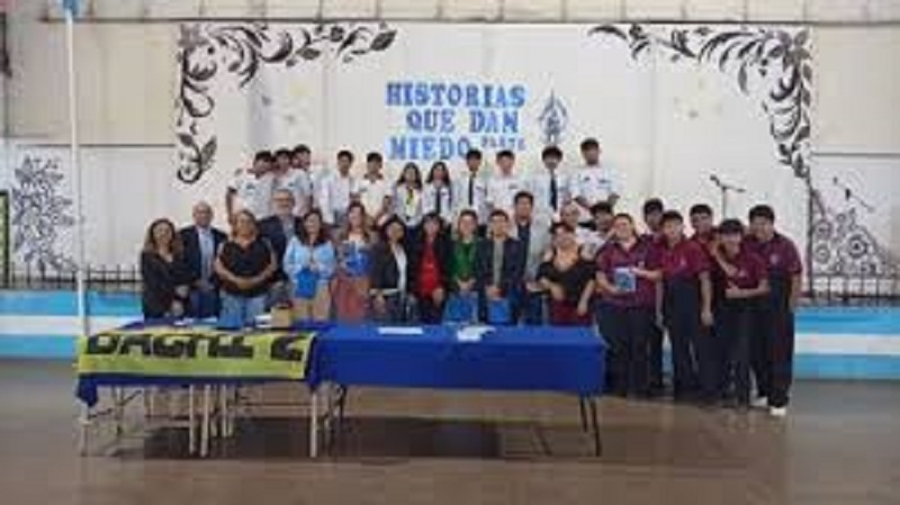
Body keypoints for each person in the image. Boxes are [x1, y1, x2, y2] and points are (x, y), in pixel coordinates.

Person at [745, 205, 802, 417]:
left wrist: (792, 305)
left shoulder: (785, 246)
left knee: (779, 354)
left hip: (778, 308)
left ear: (772, 223)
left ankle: (779, 399)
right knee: (757, 353)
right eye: (755, 223)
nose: (759, 228)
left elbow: (796, 276)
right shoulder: (747, 243)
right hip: (753, 307)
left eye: (764, 223)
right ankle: (764, 392)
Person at [595, 213, 661, 397]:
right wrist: (610, 288)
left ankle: (640, 388)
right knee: (619, 347)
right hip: (615, 305)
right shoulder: (608, 249)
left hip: (641, 305)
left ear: (633, 226)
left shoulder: (648, 248)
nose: (622, 228)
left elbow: (659, 274)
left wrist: (641, 272)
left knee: (640, 346)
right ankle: (620, 387)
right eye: (617, 226)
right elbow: (600, 274)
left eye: (625, 224)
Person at [658, 210, 715, 403]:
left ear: (682, 226)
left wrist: (706, 308)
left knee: (701, 349)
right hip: (671, 304)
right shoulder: (663, 250)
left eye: (676, 225)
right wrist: (660, 310)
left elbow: (705, 279)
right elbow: (660, 282)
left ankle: (708, 392)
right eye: (668, 226)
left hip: (693, 303)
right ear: (663, 229)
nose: (672, 229)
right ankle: (685, 389)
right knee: (678, 349)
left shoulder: (693, 248)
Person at [711, 219, 770, 409]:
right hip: (721, 309)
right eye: (726, 235)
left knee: (741, 354)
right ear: (720, 237)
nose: (730, 239)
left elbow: (764, 288)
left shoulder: (753, 258)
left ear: (741, 236)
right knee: (721, 353)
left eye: (734, 235)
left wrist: (742, 293)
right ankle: (723, 394)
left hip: (745, 311)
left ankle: (743, 398)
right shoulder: (715, 257)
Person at [214, 210, 278, 326]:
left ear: (254, 224)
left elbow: (273, 265)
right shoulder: (225, 244)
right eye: (241, 221)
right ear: (235, 225)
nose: (245, 225)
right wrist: (236, 280)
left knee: (255, 329)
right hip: (231, 294)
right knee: (232, 329)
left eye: (249, 222)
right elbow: (218, 267)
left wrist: (255, 280)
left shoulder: (264, 242)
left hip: (258, 294)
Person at [537, 223, 596, 326]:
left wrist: (584, 301)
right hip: (557, 306)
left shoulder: (584, 253)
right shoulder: (550, 254)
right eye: (557, 235)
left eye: (565, 233)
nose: (562, 237)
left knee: (579, 333)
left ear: (573, 235)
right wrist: (552, 286)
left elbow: (592, 279)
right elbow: (541, 277)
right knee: (557, 334)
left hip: (580, 303)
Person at [283, 210, 336, 322]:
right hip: (299, 286)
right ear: (304, 223)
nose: (312, 224)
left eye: (315, 221)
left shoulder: (327, 243)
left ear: (320, 224)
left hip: (320, 287)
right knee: (301, 322)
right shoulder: (295, 241)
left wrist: (319, 268)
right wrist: (300, 267)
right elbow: (286, 264)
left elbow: (332, 268)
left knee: (321, 322)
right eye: (309, 221)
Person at [179, 202, 227, 319]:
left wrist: (212, 283)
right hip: (191, 285)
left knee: (212, 318)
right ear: (194, 215)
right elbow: (180, 262)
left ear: (211, 215)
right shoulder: (183, 235)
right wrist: (196, 281)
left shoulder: (221, 236)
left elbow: (225, 261)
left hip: (214, 285)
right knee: (193, 317)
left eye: (206, 212)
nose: (203, 215)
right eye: (200, 212)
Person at [476, 210, 525, 324]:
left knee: (508, 330)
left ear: (507, 224)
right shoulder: (482, 245)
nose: (498, 225)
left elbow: (517, 272)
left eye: (501, 222)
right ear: (490, 225)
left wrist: (500, 289)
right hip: (486, 295)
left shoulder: (517, 246)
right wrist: (488, 287)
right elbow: (478, 270)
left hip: (509, 294)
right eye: (494, 222)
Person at [510, 191, 552, 324]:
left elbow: (548, 255)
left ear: (532, 207)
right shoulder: (506, 227)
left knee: (534, 326)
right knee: (508, 325)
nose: (524, 206)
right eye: (520, 203)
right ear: (514, 206)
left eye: (527, 204)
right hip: (510, 285)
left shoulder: (543, 228)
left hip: (534, 285)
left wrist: (540, 279)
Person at [140, 218, 191, 320]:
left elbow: (183, 278)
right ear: (152, 234)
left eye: (167, 231)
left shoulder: (179, 254)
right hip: (156, 305)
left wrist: (179, 299)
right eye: (160, 230)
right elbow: (153, 283)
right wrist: (173, 297)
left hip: (179, 304)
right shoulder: (147, 256)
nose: (164, 234)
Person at [408, 213, 452, 323]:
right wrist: (412, 290)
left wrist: (442, 287)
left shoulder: (446, 243)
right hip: (419, 292)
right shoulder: (415, 242)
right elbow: (411, 269)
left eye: (434, 223)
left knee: (437, 325)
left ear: (439, 226)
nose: (431, 226)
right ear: (423, 225)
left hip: (438, 292)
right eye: (428, 223)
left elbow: (448, 269)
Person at [641, 197, 666, 394]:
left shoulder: (671, 240)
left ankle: (685, 384)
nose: (653, 218)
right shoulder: (644, 241)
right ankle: (652, 381)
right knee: (650, 341)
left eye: (656, 214)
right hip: (648, 298)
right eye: (649, 215)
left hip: (673, 297)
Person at [332, 202, 373, 322]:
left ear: (363, 216)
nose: (355, 216)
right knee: (343, 316)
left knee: (361, 317)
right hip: (344, 281)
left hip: (363, 281)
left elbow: (375, 262)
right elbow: (334, 258)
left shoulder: (371, 236)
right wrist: (340, 263)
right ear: (348, 215)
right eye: (352, 212)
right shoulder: (339, 235)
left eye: (359, 213)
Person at [368, 216, 410, 323]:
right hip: (385, 296)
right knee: (385, 328)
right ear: (386, 230)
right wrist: (378, 295)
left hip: (400, 294)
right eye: (392, 229)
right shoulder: (378, 248)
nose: (395, 232)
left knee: (398, 328)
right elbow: (375, 272)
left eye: (399, 230)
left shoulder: (403, 248)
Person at [570, 138, 619, 223]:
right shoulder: (576, 172)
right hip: (585, 218)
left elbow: (614, 194)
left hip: (606, 218)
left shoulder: (610, 171)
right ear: (583, 153)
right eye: (587, 151)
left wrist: (603, 211)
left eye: (593, 150)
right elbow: (576, 195)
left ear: (599, 151)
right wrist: (594, 210)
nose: (590, 153)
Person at [448, 210, 481, 320]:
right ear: (459, 225)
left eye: (470, 222)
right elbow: (449, 266)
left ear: (475, 225)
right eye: (463, 222)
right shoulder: (452, 244)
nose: (466, 225)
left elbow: (483, 267)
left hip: (476, 291)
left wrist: (471, 282)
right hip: (456, 291)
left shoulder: (482, 244)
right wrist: (459, 282)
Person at [226, 150, 274, 222]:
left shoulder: (271, 177)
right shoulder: (241, 175)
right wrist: (230, 214)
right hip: (243, 218)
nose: (266, 164)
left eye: (269, 162)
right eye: (264, 161)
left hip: (263, 218)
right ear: (255, 161)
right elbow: (229, 194)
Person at [354, 151, 393, 225]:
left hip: (381, 219)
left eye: (377, 163)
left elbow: (387, 203)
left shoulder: (387, 182)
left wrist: (375, 218)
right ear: (367, 164)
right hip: (363, 218)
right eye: (371, 162)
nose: (374, 165)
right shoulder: (359, 181)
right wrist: (366, 216)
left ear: (381, 165)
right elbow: (356, 201)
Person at [529, 145, 568, 220]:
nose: (551, 161)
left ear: (559, 160)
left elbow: (567, 197)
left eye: (554, 158)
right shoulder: (535, 178)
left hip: (560, 215)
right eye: (549, 158)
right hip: (540, 215)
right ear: (543, 160)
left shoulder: (564, 177)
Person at [320, 150, 356, 227]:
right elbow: (324, 200)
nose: (345, 164)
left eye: (347, 161)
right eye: (342, 161)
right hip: (333, 214)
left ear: (351, 164)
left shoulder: (352, 180)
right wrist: (328, 219)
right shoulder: (328, 179)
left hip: (347, 215)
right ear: (338, 162)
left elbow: (353, 198)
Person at [486, 150, 526, 218]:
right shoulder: (492, 181)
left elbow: (522, 199)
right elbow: (490, 202)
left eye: (508, 160)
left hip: (515, 216)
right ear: (497, 163)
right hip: (499, 217)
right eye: (502, 161)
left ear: (513, 162)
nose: (505, 164)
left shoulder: (520, 180)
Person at [455, 148, 488, 229]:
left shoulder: (486, 178)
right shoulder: (460, 179)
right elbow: (456, 199)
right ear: (467, 162)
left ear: (480, 162)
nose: (473, 162)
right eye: (471, 159)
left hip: (481, 217)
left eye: (476, 160)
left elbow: (488, 199)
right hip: (464, 216)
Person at [394, 162, 424, 228]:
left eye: (413, 173)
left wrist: (418, 221)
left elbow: (422, 209)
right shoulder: (397, 189)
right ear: (404, 174)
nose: (410, 175)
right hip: (400, 223)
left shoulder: (421, 191)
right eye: (408, 173)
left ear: (417, 176)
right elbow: (394, 206)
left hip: (417, 223)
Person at [290, 144, 316, 214]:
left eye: (308, 157)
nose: (308, 160)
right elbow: (308, 197)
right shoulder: (297, 174)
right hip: (297, 212)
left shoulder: (309, 174)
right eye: (304, 157)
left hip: (302, 213)